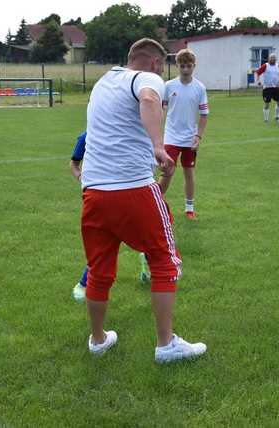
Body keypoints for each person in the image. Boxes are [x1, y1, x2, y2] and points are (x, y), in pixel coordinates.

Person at [81, 38, 207, 362]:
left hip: (93, 192)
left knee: (99, 269)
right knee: (164, 259)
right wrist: (157, 144)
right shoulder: (147, 79)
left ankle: (97, 339)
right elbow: (150, 98)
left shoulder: (103, 83)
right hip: (133, 187)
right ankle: (166, 345)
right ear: (154, 63)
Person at [70, 131, 151, 303]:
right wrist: (82, 178)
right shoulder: (86, 137)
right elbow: (74, 164)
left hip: (129, 197)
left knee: (147, 236)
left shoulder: (128, 134)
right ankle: (84, 283)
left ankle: (149, 261)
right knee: (101, 247)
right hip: (99, 200)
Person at [158, 48, 209, 221]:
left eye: (189, 66)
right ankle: (155, 203)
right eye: (182, 66)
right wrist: (157, 132)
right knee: (167, 171)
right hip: (171, 137)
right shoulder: (168, 86)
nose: (185, 69)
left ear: (194, 66)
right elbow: (161, 110)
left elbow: (204, 115)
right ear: (177, 66)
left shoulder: (200, 88)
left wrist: (198, 136)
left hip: (190, 139)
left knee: (189, 173)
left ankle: (189, 209)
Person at [255, 53, 279, 123]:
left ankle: (277, 117)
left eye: (273, 58)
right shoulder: (265, 65)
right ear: (268, 59)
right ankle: (266, 120)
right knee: (267, 104)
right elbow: (258, 73)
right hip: (267, 88)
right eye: (271, 58)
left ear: (275, 59)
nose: (272, 59)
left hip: (275, 88)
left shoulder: (278, 66)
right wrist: (258, 81)